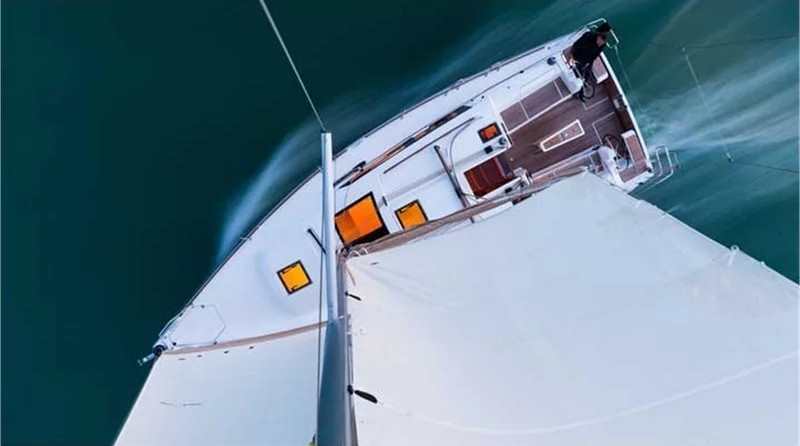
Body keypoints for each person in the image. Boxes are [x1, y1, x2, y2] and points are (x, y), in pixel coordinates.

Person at [569, 22, 612, 100]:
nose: (600, 44)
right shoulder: (588, 36)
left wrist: (589, 63)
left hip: (588, 59)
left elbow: (595, 55)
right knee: (578, 74)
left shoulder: (602, 45)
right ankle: (577, 89)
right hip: (578, 56)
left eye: (602, 43)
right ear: (598, 37)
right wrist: (572, 56)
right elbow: (576, 45)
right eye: (600, 41)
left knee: (587, 75)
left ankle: (581, 92)